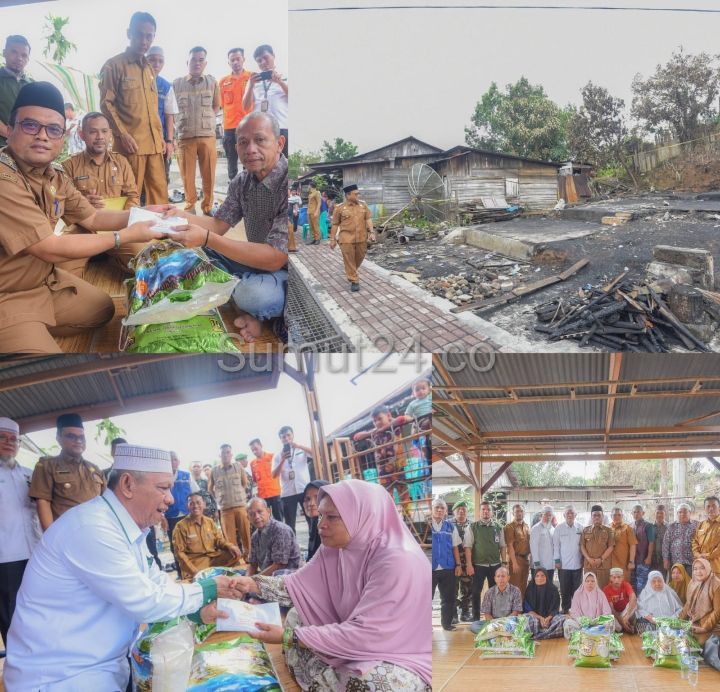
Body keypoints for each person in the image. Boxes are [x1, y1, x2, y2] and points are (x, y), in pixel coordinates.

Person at [3, 444, 244, 690]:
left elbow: (156, 582)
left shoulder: (125, 527)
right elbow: (145, 600)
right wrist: (208, 589)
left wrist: (195, 612)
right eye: (163, 487)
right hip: (62, 678)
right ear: (128, 484)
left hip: (101, 668)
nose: (171, 499)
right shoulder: (91, 528)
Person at [0, 81, 163, 353]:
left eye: (53, 129)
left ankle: (31, 326)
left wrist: (142, 214)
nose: (42, 136)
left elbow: (95, 219)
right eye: (30, 125)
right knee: (45, 376)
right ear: (9, 128)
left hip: (42, 283)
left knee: (102, 309)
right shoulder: (5, 179)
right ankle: (21, 329)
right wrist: (125, 236)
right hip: (7, 295)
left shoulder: (55, 175)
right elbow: (50, 248)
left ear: (62, 137)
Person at [234, 480, 430, 690]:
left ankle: (324, 675)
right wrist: (250, 584)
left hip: (398, 652)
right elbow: (296, 586)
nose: (321, 524)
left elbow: (368, 634)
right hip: (353, 632)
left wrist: (289, 637)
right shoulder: (337, 547)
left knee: (369, 683)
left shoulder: (397, 560)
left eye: (332, 517)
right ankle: (326, 676)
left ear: (362, 516)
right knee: (295, 615)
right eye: (320, 516)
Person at [162, 111, 288, 344]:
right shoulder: (242, 181)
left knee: (255, 296)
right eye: (243, 142)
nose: (250, 149)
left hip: (285, 271)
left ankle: (240, 298)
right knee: (190, 250)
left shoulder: (288, 185)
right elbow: (218, 225)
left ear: (279, 143)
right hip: (253, 260)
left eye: (260, 140)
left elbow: (275, 259)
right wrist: (179, 215)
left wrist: (207, 238)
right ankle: (240, 296)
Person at [59, 112, 143, 277]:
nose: (100, 137)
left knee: (145, 262)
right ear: (82, 134)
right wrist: (83, 204)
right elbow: (62, 205)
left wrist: (123, 219)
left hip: (118, 228)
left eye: (104, 131)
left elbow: (133, 196)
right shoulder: (69, 166)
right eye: (93, 132)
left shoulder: (121, 162)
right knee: (61, 270)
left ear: (110, 134)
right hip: (83, 229)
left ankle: (108, 254)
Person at [99, 12, 167, 205]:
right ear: (129, 33)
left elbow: (152, 109)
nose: (144, 41)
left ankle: (160, 233)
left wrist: (161, 137)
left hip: (154, 146)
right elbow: (106, 103)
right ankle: (129, 234)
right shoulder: (114, 65)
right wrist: (121, 134)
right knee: (129, 197)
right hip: (131, 146)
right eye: (139, 34)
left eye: (149, 36)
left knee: (159, 196)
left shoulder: (149, 69)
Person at [0, 417, 40, 653]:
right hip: (5, 557)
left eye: (13, 439)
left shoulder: (30, 474)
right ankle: (18, 665)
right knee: (11, 614)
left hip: (35, 553)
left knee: (37, 608)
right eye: (3, 438)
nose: (9, 443)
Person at [29, 413, 105, 529]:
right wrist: (52, 537)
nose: (78, 440)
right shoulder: (47, 465)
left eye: (81, 437)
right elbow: (43, 503)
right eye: (71, 436)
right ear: (59, 438)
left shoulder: (95, 469)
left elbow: (106, 502)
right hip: (66, 535)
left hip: (96, 531)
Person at [173, 46, 220, 216]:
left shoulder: (212, 83)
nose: (197, 63)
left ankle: (207, 207)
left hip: (207, 136)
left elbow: (216, 105)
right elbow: (171, 108)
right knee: (187, 176)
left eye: (201, 60)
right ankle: (189, 207)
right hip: (185, 137)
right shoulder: (177, 84)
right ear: (187, 62)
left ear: (205, 63)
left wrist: (207, 119)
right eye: (193, 59)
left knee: (209, 175)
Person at [352, 405, 412, 512]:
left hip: (398, 468)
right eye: (375, 421)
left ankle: (408, 517)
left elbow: (404, 419)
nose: (377, 423)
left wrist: (386, 426)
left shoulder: (395, 427)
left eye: (380, 419)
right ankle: (392, 518)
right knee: (386, 497)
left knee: (403, 493)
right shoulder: (375, 433)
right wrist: (372, 432)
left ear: (388, 415)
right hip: (383, 471)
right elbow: (356, 436)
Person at [172, 493, 242, 580]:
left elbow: (219, 540)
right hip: (197, 563)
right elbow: (179, 553)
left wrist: (230, 546)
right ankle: (206, 577)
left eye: (198, 502)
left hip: (213, 559)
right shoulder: (180, 526)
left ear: (204, 504)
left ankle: (225, 575)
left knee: (232, 554)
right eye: (191, 503)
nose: (195, 506)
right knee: (201, 579)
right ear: (187, 506)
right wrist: (194, 571)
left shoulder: (209, 522)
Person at [242, 44, 288, 157]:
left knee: (283, 163)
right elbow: (245, 106)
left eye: (266, 58)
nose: (263, 62)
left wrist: (280, 82)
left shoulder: (286, 76)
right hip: (260, 129)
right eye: (259, 61)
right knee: (263, 162)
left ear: (273, 56)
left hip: (281, 126)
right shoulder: (253, 81)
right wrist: (251, 85)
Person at [330, 184, 375, 292]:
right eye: (356, 194)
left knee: (359, 258)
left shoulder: (363, 205)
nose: (358, 196)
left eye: (358, 193)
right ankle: (354, 280)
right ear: (348, 195)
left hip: (361, 238)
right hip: (346, 239)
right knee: (349, 260)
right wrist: (332, 239)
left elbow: (368, 219)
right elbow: (335, 224)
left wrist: (372, 232)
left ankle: (351, 271)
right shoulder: (339, 208)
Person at [209, 444, 251, 559]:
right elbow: (210, 488)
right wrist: (219, 499)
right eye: (223, 453)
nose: (225, 455)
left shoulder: (238, 466)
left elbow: (244, 483)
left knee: (246, 536)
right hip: (225, 510)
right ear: (220, 455)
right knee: (230, 540)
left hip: (240, 507)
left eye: (228, 452)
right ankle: (236, 562)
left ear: (231, 454)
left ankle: (250, 559)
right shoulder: (214, 471)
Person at [468, 500, 507, 621]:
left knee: (495, 592)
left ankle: (494, 616)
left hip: (495, 565)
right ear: (479, 512)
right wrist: (469, 565)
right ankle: (475, 617)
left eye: (488, 510)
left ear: (492, 512)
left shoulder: (498, 527)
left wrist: (504, 564)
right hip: (478, 565)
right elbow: (468, 546)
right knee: (476, 592)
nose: (486, 512)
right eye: (483, 509)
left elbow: (502, 546)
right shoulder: (473, 527)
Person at [145, 45, 178, 185]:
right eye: (152, 60)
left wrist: (170, 141)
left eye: (160, 61)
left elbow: (169, 115)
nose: (156, 64)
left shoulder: (166, 86)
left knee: (161, 180)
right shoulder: (138, 82)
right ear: (146, 60)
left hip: (161, 142)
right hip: (141, 140)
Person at [272, 426, 313, 533]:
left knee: (311, 520)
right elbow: (274, 475)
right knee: (290, 525)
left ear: (293, 435)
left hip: (304, 489)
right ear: (280, 439)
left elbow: (316, 454)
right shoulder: (277, 456)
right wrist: (282, 460)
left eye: (288, 435)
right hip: (287, 493)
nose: (286, 438)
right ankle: (293, 548)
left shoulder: (301, 449)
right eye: (283, 437)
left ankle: (314, 547)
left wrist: (299, 446)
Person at [220, 47, 252, 181]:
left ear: (243, 59)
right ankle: (233, 191)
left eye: (238, 59)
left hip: (249, 126)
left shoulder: (252, 78)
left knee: (249, 159)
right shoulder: (222, 82)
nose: (235, 62)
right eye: (232, 60)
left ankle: (250, 191)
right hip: (229, 128)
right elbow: (220, 106)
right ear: (229, 62)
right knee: (231, 162)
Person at [247, 497, 301, 577]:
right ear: (248, 518)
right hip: (267, 575)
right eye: (252, 514)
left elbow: (279, 565)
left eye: (260, 511)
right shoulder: (255, 536)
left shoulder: (280, 530)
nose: (256, 516)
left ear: (269, 511)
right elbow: (253, 564)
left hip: (288, 574)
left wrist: (254, 581)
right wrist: (247, 579)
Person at [165, 451, 198, 568]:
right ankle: (181, 571)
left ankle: (195, 569)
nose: (172, 462)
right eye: (169, 460)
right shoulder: (162, 477)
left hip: (187, 515)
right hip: (170, 517)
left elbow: (196, 494)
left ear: (178, 462)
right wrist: (162, 518)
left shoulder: (186, 475)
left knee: (192, 542)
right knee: (175, 545)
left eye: (174, 459)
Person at [431, 498, 459, 631]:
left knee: (448, 598)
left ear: (446, 511)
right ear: (432, 509)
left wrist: (458, 565)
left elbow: (455, 547)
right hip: (429, 568)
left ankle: (446, 624)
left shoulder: (450, 527)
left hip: (448, 567)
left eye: (442, 508)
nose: (439, 510)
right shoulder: (427, 525)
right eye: (437, 507)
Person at [679, 557, 720, 644]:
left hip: (711, 626)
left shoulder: (716, 584)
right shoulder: (693, 582)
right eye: (695, 569)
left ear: (708, 568)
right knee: (677, 639)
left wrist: (704, 628)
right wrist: (678, 620)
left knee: (698, 644)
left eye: (702, 568)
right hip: (694, 621)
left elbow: (717, 611)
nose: (698, 572)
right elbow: (688, 603)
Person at [0, 34, 31, 148]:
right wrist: (11, 135)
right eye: (14, 52)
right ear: (4, 53)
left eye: (24, 55)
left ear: (28, 59)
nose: (19, 58)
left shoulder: (32, 85)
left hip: (24, 148)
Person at [563, 572, 614, 639]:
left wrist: (598, 620)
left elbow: (607, 611)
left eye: (592, 581)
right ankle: (591, 633)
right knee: (568, 623)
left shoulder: (600, 594)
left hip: (597, 624)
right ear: (584, 582)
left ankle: (584, 634)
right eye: (587, 581)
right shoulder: (578, 594)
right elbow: (575, 612)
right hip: (581, 623)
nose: (590, 583)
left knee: (611, 622)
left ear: (596, 582)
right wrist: (583, 621)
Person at [553, 504, 584, 613]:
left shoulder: (581, 527)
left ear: (575, 515)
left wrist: (583, 559)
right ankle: (566, 609)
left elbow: (583, 545)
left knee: (576, 590)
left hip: (577, 564)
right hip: (563, 565)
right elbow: (556, 546)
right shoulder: (559, 528)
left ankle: (576, 610)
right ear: (564, 515)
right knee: (565, 589)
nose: (570, 515)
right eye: (568, 513)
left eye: (572, 513)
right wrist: (556, 560)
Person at [523, 568, 565, 640]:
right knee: (527, 620)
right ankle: (548, 633)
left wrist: (548, 619)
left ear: (546, 577)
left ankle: (537, 634)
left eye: (543, 575)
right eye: (537, 576)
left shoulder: (553, 589)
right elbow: (528, 609)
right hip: (535, 618)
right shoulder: (530, 589)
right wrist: (540, 618)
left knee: (561, 620)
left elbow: (555, 608)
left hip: (550, 619)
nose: (540, 578)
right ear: (534, 578)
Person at [580, 504, 615, 589]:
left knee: (603, 589)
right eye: (594, 515)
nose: (596, 517)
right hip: (589, 565)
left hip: (603, 566)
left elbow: (611, 547)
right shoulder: (585, 530)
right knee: (589, 589)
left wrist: (601, 559)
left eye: (599, 515)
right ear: (591, 517)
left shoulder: (608, 530)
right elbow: (582, 546)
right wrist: (588, 559)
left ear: (602, 516)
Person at [249, 438, 282, 521]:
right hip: (262, 496)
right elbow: (255, 480)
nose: (254, 452)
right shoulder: (252, 463)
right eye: (252, 450)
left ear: (261, 446)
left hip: (275, 493)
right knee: (265, 519)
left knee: (279, 518)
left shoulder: (272, 457)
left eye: (256, 449)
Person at [451, 500, 473, 622]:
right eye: (459, 510)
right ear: (454, 512)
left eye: (464, 509)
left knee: (467, 588)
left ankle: (465, 612)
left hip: (468, 563)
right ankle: (453, 614)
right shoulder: (448, 524)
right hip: (453, 563)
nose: (461, 511)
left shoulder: (472, 525)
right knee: (453, 588)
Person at [663, 503, 698, 576]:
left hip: (692, 561)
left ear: (690, 513)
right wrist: (665, 560)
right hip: (675, 561)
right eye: (680, 512)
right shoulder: (671, 526)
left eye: (685, 512)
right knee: (676, 585)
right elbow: (665, 544)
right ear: (677, 513)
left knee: (691, 584)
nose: (682, 514)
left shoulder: (696, 525)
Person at [504, 503, 531, 600]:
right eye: (517, 511)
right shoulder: (509, 527)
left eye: (521, 511)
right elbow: (510, 545)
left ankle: (522, 610)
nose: (519, 513)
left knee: (523, 585)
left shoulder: (527, 526)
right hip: (516, 559)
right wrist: (514, 562)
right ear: (513, 513)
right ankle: (514, 610)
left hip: (525, 560)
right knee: (515, 586)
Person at [603, 567, 637, 634]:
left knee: (635, 603)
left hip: (625, 612)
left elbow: (633, 597)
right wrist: (623, 624)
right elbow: (612, 610)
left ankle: (627, 622)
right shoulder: (606, 589)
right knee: (618, 628)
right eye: (614, 577)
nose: (616, 580)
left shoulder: (626, 584)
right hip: (615, 614)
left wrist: (627, 616)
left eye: (619, 577)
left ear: (622, 578)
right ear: (610, 578)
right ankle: (625, 625)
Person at [692, 496, 720, 577]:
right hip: (701, 569)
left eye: (714, 506)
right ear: (705, 509)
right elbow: (694, 541)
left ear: (719, 507)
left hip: (716, 569)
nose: (711, 509)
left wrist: (706, 556)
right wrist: (697, 555)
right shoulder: (701, 524)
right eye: (708, 506)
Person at [303, 479, 329, 561]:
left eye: (317, 497)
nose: (311, 503)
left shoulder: (335, 524)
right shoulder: (315, 521)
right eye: (307, 499)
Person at [631, 503, 655, 594]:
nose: (636, 514)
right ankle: (634, 605)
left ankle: (642, 604)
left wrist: (649, 557)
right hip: (633, 560)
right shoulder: (630, 526)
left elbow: (651, 543)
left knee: (642, 584)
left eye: (638, 512)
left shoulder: (648, 526)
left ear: (643, 513)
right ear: (631, 514)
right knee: (633, 583)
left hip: (643, 559)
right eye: (634, 512)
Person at [610, 506, 637, 583]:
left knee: (624, 584)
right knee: (612, 585)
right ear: (611, 516)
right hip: (610, 564)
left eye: (619, 515)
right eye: (615, 515)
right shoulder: (608, 528)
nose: (617, 517)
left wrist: (631, 562)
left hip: (624, 564)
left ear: (622, 516)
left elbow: (633, 545)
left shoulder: (627, 528)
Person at [530, 505, 555, 584]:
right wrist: (537, 563)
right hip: (539, 565)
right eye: (546, 514)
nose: (548, 517)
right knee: (538, 587)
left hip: (550, 565)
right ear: (541, 515)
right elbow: (533, 547)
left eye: (550, 515)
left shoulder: (553, 529)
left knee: (549, 586)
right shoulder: (535, 528)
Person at [652, 505, 668, 573]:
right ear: (654, 513)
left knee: (663, 579)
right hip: (652, 559)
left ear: (665, 514)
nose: (659, 515)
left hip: (664, 559)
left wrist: (667, 559)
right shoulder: (650, 526)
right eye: (657, 513)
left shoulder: (669, 527)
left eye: (661, 513)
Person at [287, 184, 301, 253]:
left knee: (291, 232)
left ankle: (291, 248)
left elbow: (296, 204)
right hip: (284, 219)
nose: (289, 193)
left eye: (289, 191)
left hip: (290, 218)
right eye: (288, 191)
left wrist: (295, 210)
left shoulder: (290, 200)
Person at [307, 180, 321, 245]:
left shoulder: (317, 192)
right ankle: (313, 239)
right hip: (309, 212)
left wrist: (316, 212)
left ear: (311, 185)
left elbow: (319, 203)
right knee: (311, 226)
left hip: (314, 212)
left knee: (316, 226)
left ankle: (317, 239)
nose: (308, 186)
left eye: (308, 185)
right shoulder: (310, 193)